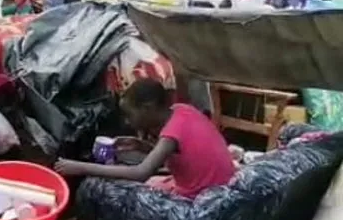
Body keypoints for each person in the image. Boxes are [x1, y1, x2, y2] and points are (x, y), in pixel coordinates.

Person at [54, 78, 235, 199]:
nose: (127, 121)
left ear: (147, 108)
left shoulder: (172, 131)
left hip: (203, 201)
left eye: (129, 115)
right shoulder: (182, 110)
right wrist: (143, 147)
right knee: (152, 183)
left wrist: (80, 168)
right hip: (220, 191)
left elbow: (141, 173)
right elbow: (186, 155)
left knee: (107, 192)